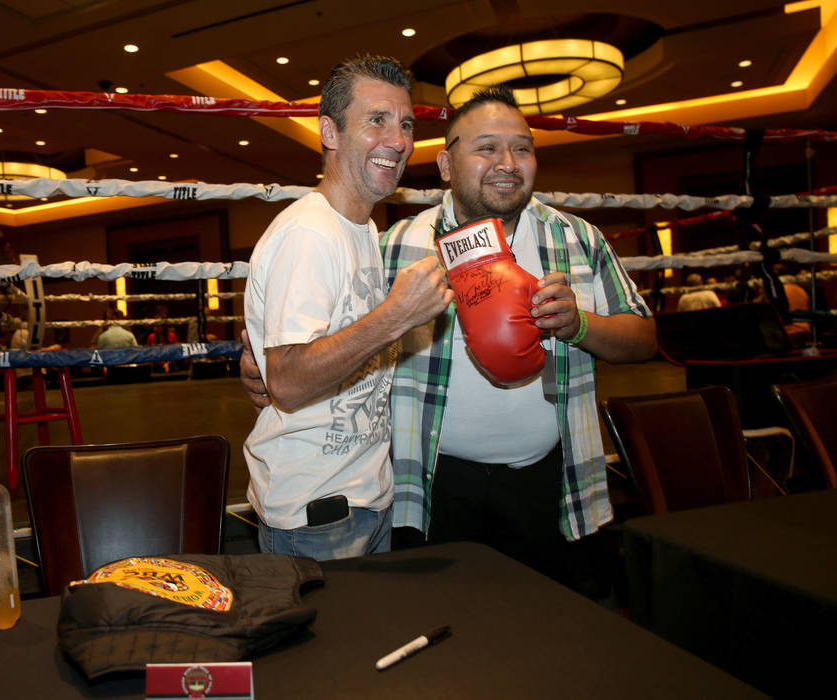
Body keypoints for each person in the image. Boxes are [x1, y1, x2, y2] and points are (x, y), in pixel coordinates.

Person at [242, 86, 656, 589]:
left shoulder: (577, 239)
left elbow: (644, 338)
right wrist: (264, 366)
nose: (507, 162)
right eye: (486, 148)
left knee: (553, 637)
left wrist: (580, 324)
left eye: (522, 148)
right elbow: (324, 344)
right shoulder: (396, 246)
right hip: (432, 486)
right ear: (445, 164)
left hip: (552, 480)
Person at [243, 54, 453, 562]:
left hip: (362, 496)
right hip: (318, 513)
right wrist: (397, 315)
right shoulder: (310, 233)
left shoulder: (361, 229)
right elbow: (288, 383)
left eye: (405, 124)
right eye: (376, 120)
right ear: (330, 133)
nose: (398, 140)